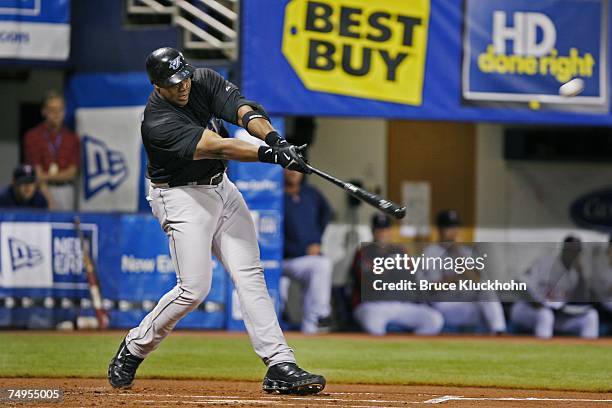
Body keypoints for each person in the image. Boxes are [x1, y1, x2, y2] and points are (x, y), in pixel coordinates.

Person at [107, 47, 325, 395]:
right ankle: (135, 346)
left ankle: (279, 363)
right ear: (156, 85)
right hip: (179, 197)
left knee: (250, 275)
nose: (183, 87)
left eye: (184, 77)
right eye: (173, 83)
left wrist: (275, 139)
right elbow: (219, 145)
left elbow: (242, 111)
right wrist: (272, 156)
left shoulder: (201, 79)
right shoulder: (158, 122)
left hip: (221, 188)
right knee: (194, 289)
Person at [350, 213, 444, 336]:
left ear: (390, 231)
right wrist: (392, 267)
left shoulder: (400, 250)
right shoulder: (364, 252)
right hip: (374, 305)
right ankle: (381, 353)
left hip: (401, 303)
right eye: (379, 230)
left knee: (433, 319)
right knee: (374, 323)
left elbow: (411, 277)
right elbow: (371, 281)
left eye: (385, 229)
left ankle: (412, 350)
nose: (382, 233)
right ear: (373, 231)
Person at [423, 210, 507, 334]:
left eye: (456, 227)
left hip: (465, 300)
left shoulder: (464, 252)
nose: (454, 231)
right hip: (443, 305)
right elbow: (432, 287)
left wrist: (459, 256)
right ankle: (496, 331)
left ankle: (500, 333)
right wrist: (458, 276)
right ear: (440, 230)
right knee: (482, 314)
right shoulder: (431, 252)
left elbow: (479, 283)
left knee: (487, 293)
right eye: (449, 227)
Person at [511, 236, 598, 339]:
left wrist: (581, 276)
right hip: (527, 309)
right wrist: (535, 303)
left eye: (576, 251)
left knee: (591, 316)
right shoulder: (545, 263)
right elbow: (517, 284)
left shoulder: (575, 274)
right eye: (570, 250)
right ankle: (542, 352)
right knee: (545, 315)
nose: (573, 254)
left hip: (557, 314)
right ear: (563, 249)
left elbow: (582, 300)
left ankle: (587, 353)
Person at [283, 168, 334, 334]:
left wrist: (317, 240)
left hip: (304, 260)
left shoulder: (310, 193)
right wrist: (302, 249)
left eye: (296, 168)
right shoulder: (274, 195)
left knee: (321, 264)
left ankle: (314, 325)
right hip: (281, 259)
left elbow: (327, 213)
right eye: (288, 168)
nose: (292, 172)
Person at [23, 90, 80, 210]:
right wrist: (49, 199)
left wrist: (46, 176)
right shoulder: (33, 136)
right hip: (42, 189)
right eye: (52, 110)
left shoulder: (72, 138)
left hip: (66, 190)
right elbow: (37, 173)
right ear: (44, 112)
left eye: (60, 110)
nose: (57, 114)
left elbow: (72, 172)